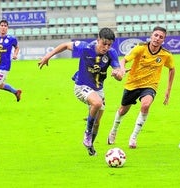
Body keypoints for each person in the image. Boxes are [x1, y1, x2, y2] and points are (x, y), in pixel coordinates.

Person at [38, 28, 123, 156]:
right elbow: (65, 45)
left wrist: (117, 74)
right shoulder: (85, 48)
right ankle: (87, 134)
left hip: (98, 89)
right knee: (97, 103)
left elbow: (119, 75)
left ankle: (90, 146)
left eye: (109, 45)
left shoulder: (111, 53)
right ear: (98, 39)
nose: (106, 47)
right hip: (81, 86)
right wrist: (47, 56)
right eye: (103, 43)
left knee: (97, 122)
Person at [107, 26, 175, 149]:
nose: (157, 38)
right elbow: (124, 61)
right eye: (156, 35)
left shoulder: (166, 55)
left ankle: (133, 137)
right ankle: (114, 130)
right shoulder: (140, 48)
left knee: (146, 104)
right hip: (132, 84)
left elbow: (172, 69)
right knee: (123, 110)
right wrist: (122, 71)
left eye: (161, 37)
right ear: (151, 36)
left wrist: (168, 90)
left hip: (150, 85)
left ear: (163, 40)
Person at [0, 19, 21, 113]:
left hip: (4, 67)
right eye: (2, 25)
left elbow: (17, 47)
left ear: (7, 28)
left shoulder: (11, 39)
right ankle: (15, 92)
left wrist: (15, 54)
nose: (3, 27)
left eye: (5, 26)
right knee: (0, 85)